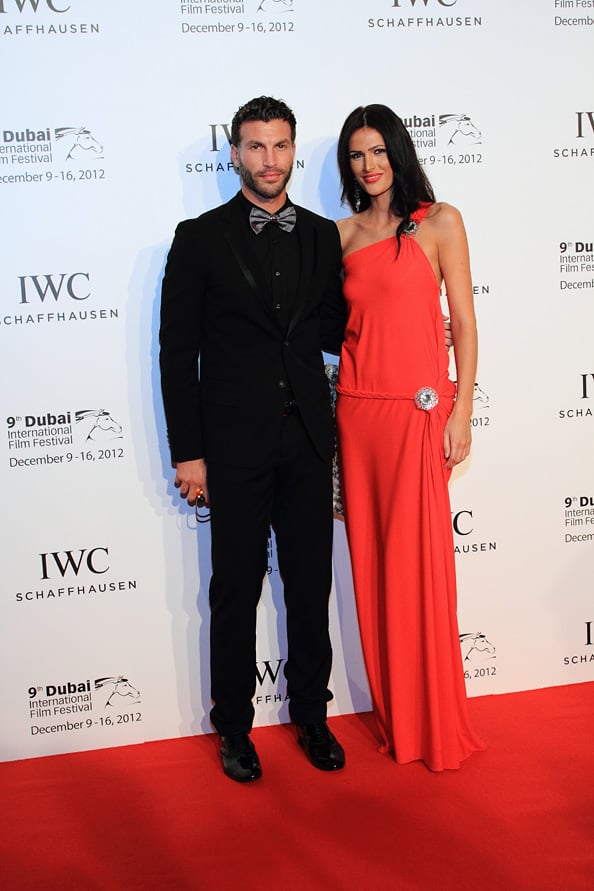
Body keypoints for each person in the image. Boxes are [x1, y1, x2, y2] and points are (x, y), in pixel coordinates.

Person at [159, 96, 347, 782]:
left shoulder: (322, 235)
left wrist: (418, 326)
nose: (270, 160)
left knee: (310, 586)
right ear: (235, 152)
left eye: (280, 145)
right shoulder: (199, 237)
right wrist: (188, 452)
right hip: (232, 447)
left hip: (307, 440)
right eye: (256, 146)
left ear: (294, 149)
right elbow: (176, 354)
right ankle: (234, 727)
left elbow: (337, 330)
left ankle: (312, 715)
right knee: (235, 590)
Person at [334, 104, 485, 771]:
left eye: (377, 151)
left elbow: (465, 322)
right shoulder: (340, 235)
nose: (368, 166)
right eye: (356, 155)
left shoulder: (440, 221)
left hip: (419, 416)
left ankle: (435, 723)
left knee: (420, 568)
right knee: (372, 568)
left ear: (398, 151)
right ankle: (400, 717)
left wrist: (461, 409)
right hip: (358, 416)